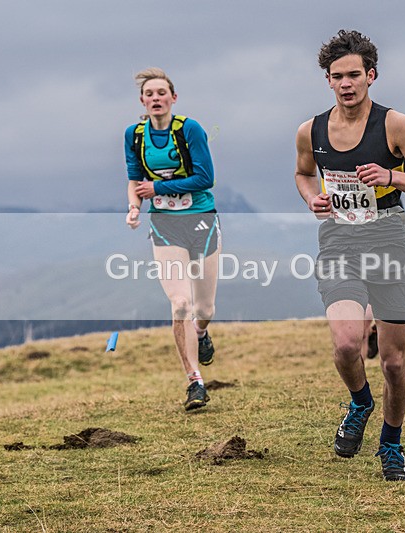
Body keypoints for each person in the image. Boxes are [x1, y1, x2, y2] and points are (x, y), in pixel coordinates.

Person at [294, 30, 405, 481]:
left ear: (371, 76)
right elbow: (303, 174)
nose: (346, 84)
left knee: (394, 361)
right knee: (346, 345)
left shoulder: (394, 125)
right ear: (328, 80)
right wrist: (312, 198)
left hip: (390, 241)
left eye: (354, 75)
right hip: (339, 243)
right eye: (337, 76)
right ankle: (361, 401)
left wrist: (392, 176)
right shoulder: (311, 130)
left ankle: (391, 444)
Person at [124, 67, 221, 411]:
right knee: (180, 303)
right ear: (142, 101)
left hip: (202, 221)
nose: (156, 98)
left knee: (205, 309)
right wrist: (134, 207)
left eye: (161, 93)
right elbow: (135, 180)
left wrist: (159, 188)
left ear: (173, 98)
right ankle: (195, 382)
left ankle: (201, 332)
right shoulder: (135, 135)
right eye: (149, 94)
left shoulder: (189, 129)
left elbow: (206, 178)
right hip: (165, 225)